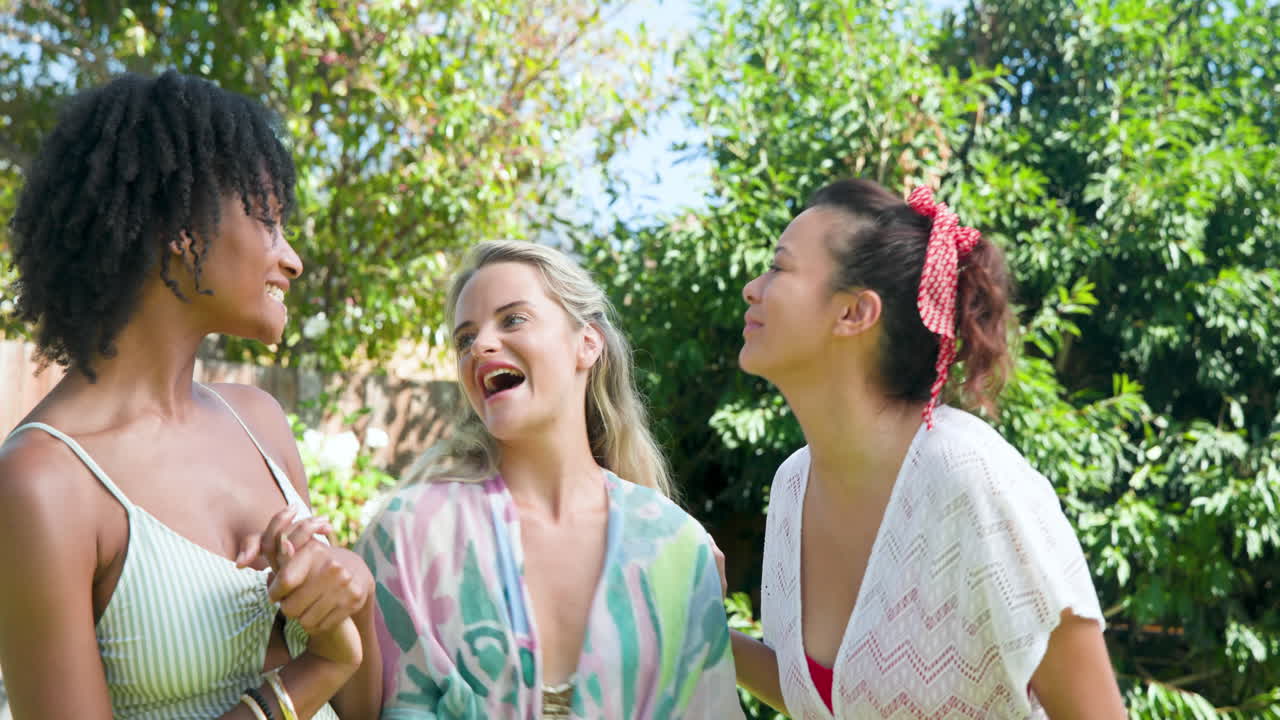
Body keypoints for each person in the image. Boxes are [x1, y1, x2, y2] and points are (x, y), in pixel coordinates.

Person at [0, 71, 380, 719]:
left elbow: (364, 709)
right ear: (181, 227)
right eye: (268, 219)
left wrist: (352, 602)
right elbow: (326, 676)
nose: (292, 259)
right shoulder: (43, 483)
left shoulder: (259, 421)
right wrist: (303, 680)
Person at [727, 179, 1126, 718]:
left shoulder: (970, 475)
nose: (754, 287)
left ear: (854, 314)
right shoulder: (793, 485)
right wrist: (692, 619)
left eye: (779, 267)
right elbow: (842, 698)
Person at [361, 240, 744, 719]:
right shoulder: (409, 534)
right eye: (465, 339)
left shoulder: (675, 545)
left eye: (513, 319)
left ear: (587, 342)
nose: (480, 346)